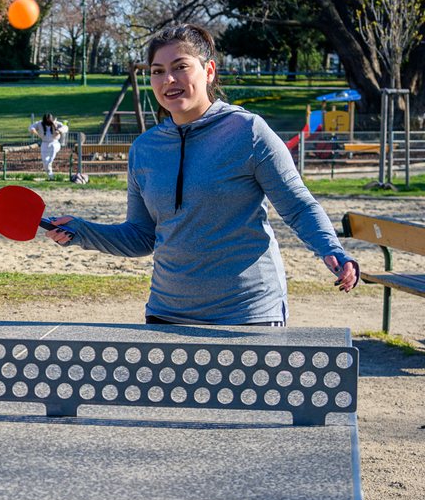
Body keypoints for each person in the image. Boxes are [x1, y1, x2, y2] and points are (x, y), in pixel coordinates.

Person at [43, 23, 359, 325]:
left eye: (180, 67)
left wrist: (331, 249)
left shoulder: (248, 131)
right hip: (167, 312)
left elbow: (298, 206)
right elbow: (141, 237)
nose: (168, 79)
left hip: (248, 313)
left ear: (209, 71)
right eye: (157, 71)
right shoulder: (144, 149)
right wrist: (81, 231)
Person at [29, 113, 68, 179]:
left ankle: (50, 165)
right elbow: (31, 127)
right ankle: (51, 177)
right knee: (45, 162)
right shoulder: (39, 123)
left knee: (49, 160)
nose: (48, 122)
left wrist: (59, 130)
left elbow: (65, 127)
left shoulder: (56, 123)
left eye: (49, 120)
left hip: (55, 143)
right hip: (44, 143)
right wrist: (32, 129)